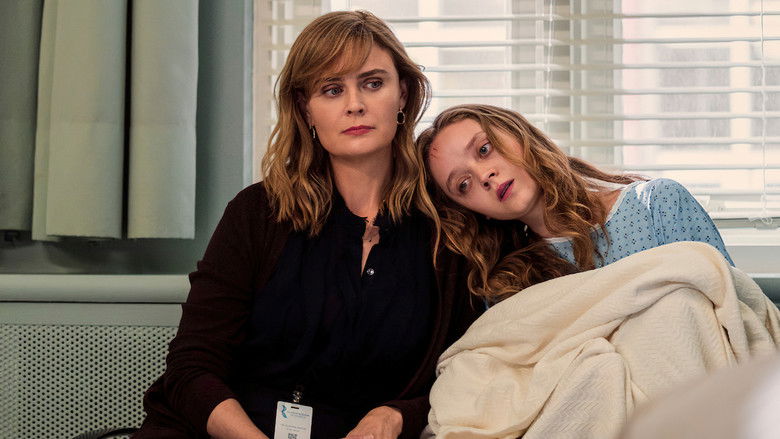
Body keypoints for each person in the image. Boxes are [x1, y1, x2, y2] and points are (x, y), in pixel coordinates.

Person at [134, 11, 480, 439]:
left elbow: (466, 371)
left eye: (373, 84)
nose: (355, 104)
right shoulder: (258, 212)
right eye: (332, 90)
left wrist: (395, 416)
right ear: (306, 109)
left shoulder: (449, 227)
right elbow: (192, 368)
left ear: (403, 94)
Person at [416, 103, 734, 301]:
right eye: (464, 185)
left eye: (484, 149)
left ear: (519, 133)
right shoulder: (507, 286)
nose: (484, 176)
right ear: (472, 211)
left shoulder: (658, 205)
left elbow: (731, 312)